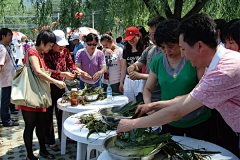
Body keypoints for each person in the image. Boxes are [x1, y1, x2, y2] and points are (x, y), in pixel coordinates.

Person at [117, 13, 240, 157]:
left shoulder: (222, 72)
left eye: (183, 49)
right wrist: (153, 105)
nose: (182, 55)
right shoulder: (218, 64)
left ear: (200, 46)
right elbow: (188, 98)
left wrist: (133, 124)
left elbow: (177, 111)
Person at [17, 29, 66, 160]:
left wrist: (60, 75)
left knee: (41, 125)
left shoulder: (40, 53)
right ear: (42, 42)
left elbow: (46, 72)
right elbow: (38, 72)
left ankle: (43, 150)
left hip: (39, 95)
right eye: (49, 45)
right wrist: (55, 81)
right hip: (30, 95)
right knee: (30, 126)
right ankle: (29, 155)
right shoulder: (32, 51)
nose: (51, 48)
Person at [43, 30, 83, 151]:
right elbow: (46, 70)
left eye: (63, 44)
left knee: (62, 112)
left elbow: (71, 64)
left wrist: (75, 71)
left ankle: (64, 136)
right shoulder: (47, 53)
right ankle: (49, 140)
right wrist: (61, 73)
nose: (61, 47)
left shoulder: (65, 51)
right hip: (49, 85)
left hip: (61, 85)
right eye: (58, 44)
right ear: (52, 43)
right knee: (48, 114)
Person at [127, 16, 164, 103]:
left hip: (161, 98)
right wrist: (132, 68)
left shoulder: (167, 53)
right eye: (150, 34)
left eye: (154, 34)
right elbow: (138, 64)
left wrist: (140, 76)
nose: (151, 38)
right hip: (148, 97)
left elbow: (161, 77)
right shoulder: (150, 49)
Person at [0, 28, 19, 127]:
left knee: (7, 100)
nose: (11, 37)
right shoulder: (2, 49)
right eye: (9, 35)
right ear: (3, 36)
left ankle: (7, 116)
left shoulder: (5, 47)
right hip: (5, 79)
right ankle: (6, 120)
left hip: (8, 78)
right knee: (5, 101)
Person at [120, 27, 144, 103]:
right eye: (129, 38)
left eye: (133, 38)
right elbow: (124, 67)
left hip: (140, 78)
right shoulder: (125, 50)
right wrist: (121, 82)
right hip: (129, 79)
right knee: (129, 103)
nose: (131, 40)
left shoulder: (144, 49)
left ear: (139, 36)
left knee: (140, 101)